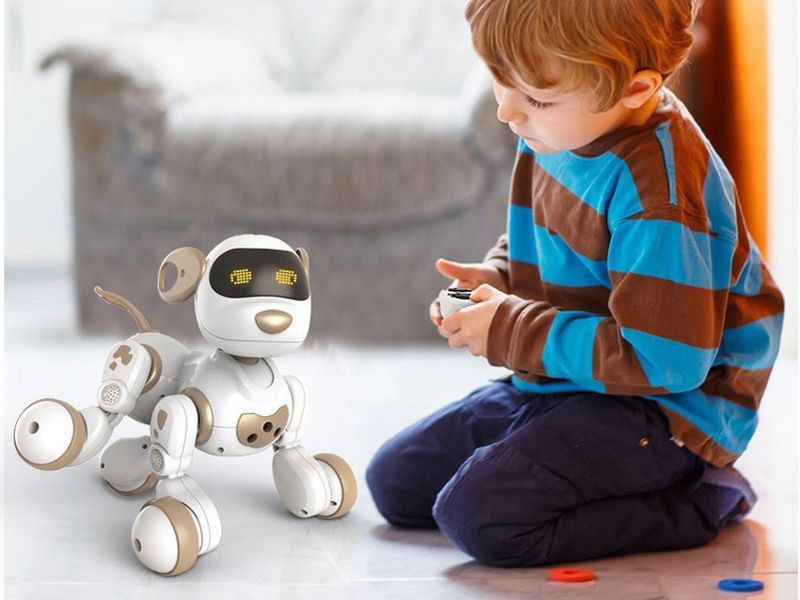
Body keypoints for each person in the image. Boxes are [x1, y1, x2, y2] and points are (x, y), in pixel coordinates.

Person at [366, 0, 784, 567]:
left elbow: (666, 362)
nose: (507, 110)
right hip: (574, 379)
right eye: (498, 78)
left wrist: (511, 329)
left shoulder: (662, 198)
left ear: (636, 89)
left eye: (535, 97)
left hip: (666, 413)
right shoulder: (558, 125)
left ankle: (700, 497)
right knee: (396, 482)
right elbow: (550, 238)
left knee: (479, 516)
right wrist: (500, 276)